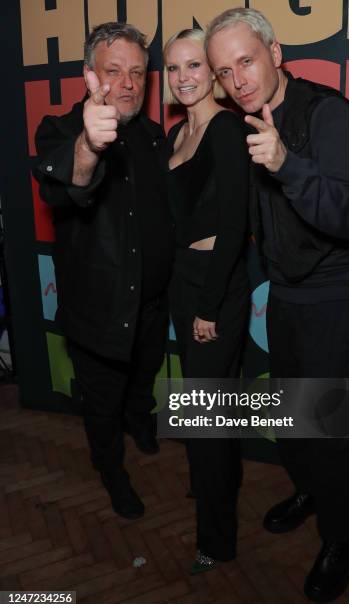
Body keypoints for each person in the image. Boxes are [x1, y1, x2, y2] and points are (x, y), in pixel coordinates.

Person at [206, 8, 349, 603]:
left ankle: (343, 538)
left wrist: (284, 163)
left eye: (247, 61)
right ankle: (311, 491)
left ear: (276, 54)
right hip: (285, 294)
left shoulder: (328, 113)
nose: (238, 79)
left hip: (336, 294)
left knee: (332, 427)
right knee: (294, 419)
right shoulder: (244, 120)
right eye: (225, 71)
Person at [35, 22, 174, 520]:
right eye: (114, 71)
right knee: (102, 402)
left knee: (142, 379)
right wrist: (90, 147)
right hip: (98, 314)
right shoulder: (61, 129)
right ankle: (111, 471)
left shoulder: (154, 137)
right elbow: (62, 182)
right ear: (89, 75)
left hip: (154, 305)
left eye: (138, 72)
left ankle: (142, 419)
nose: (129, 83)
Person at [163, 28, 249, 573]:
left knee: (210, 417)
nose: (183, 78)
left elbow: (235, 227)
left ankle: (216, 541)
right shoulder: (176, 134)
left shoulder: (226, 129)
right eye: (173, 69)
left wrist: (209, 307)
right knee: (200, 411)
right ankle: (209, 485)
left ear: (214, 73)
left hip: (214, 286)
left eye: (195, 66)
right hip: (182, 281)